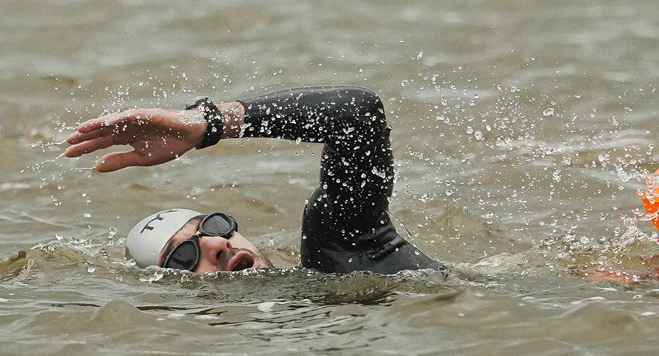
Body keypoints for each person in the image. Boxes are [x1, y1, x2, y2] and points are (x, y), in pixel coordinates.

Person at [63, 88, 444, 276]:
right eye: (184, 257)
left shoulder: (340, 249)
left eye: (211, 225)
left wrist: (208, 124)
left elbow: (357, 116)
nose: (215, 243)